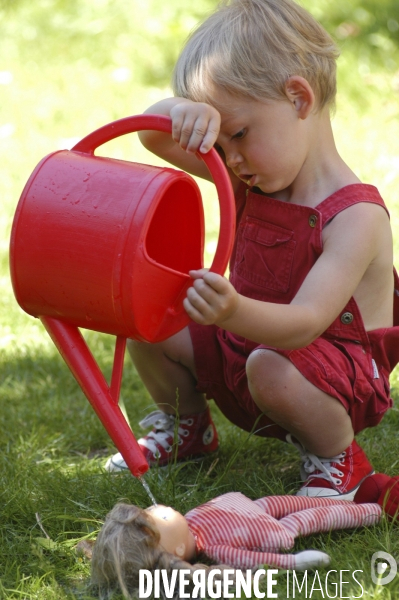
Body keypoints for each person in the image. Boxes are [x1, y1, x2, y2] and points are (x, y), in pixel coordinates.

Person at [105, 0, 399, 499]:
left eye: (237, 134)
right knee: (145, 311)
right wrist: (182, 113)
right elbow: (150, 134)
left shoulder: (356, 217)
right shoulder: (251, 180)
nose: (229, 160)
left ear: (299, 99)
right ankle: (188, 428)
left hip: (326, 377)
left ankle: (339, 463)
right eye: (218, 145)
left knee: (271, 365)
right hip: (244, 349)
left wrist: (232, 310)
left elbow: (306, 322)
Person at [90, 492, 382, 598]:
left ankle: (340, 497)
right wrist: (295, 562)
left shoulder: (191, 520)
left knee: (303, 501)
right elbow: (251, 561)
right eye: (158, 516)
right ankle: (371, 510)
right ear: (178, 551)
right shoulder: (215, 548)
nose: (157, 507)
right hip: (276, 528)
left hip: (260, 505)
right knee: (309, 517)